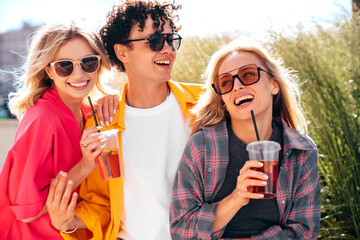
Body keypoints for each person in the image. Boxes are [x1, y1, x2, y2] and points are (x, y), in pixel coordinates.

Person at [46, 1, 203, 239]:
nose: (168, 49)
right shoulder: (102, 125)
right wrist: (69, 222)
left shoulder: (205, 106)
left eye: (171, 40)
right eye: (155, 41)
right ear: (122, 52)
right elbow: (101, 205)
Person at [170, 38, 321, 239]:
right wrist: (236, 198)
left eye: (248, 75)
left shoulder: (301, 150)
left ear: (274, 85)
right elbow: (180, 230)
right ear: (223, 99)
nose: (237, 86)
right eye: (225, 82)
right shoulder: (203, 146)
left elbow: (304, 232)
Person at [0, 20, 111, 239]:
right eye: (65, 66)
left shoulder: (89, 112)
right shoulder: (43, 118)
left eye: (88, 63)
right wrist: (84, 166)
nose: (78, 74)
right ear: (49, 70)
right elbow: (26, 211)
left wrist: (114, 100)